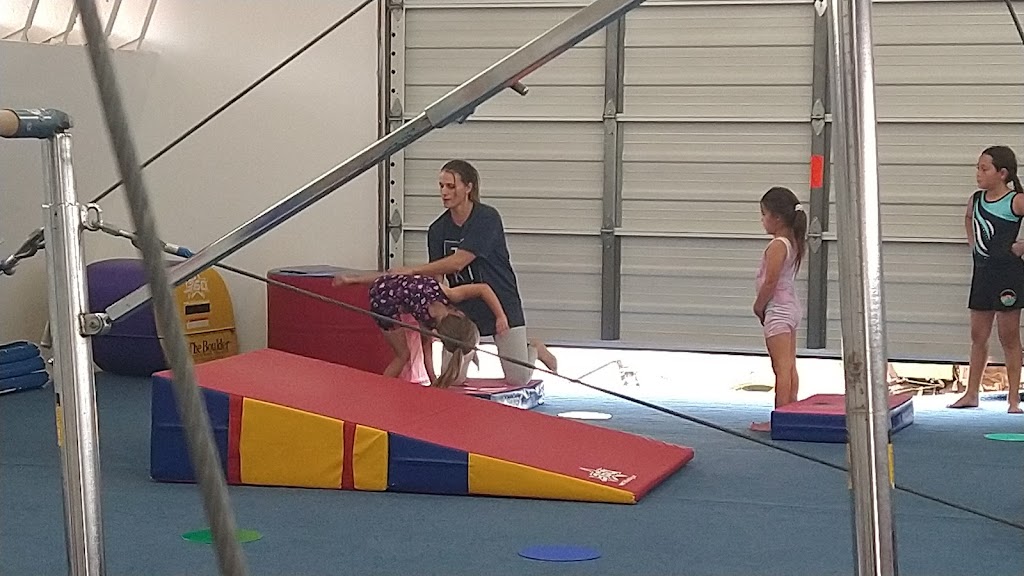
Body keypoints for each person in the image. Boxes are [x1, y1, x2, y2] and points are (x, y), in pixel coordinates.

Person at [389, 159, 557, 385]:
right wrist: (437, 311)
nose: (444, 192)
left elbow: (458, 262)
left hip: (500, 301)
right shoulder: (437, 230)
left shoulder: (487, 218)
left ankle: (534, 347)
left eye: (451, 186)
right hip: (464, 307)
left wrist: (412, 270)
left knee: (518, 378)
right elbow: (437, 276)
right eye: (441, 186)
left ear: (468, 187)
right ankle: (469, 349)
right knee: (453, 378)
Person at [333, 271, 505, 388]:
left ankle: (352, 280)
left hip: (392, 282)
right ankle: (380, 388)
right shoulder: (428, 319)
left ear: (460, 315)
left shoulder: (446, 293)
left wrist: (500, 316)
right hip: (383, 302)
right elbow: (426, 351)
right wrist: (434, 381)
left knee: (393, 278)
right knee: (403, 355)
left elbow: (483, 289)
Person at [949, 145, 1024, 413]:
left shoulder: (1016, 200)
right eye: (977, 168)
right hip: (982, 273)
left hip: (1008, 275)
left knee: (1009, 337)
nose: (978, 173)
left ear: (1002, 173)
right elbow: (969, 217)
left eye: (984, 169)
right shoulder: (977, 199)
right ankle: (972, 393)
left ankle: (1013, 398)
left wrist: (1022, 246)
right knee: (978, 335)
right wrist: (974, 245)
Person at [750, 186, 807, 432]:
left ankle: (781, 420)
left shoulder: (777, 245)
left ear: (777, 217)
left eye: (764, 215)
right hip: (790, 307)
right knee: (789, 366)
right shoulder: (792, 242)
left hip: (778, 309)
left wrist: (758, 305)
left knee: (781, 368)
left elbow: (770, 280)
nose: (762, 220)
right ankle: (790, 413)